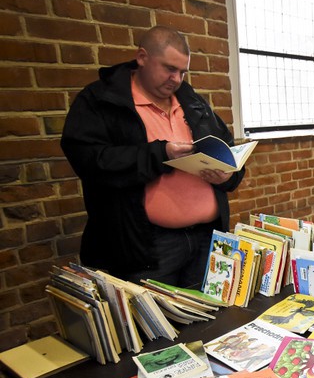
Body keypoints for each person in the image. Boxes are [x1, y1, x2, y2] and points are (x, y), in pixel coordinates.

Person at [61, 25, 244, 288]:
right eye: (170, 68)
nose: (177, 79)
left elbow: (227, 149)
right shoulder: (102, 101)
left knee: (210, 323)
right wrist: (160, 154)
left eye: (183, 72)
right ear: (142, 57)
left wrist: (228, 175)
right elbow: (90, 161)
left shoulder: (191, 101)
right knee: (154, 326)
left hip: (207, 239)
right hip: (147, 248)